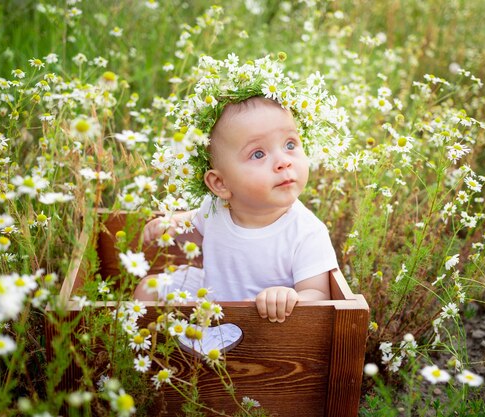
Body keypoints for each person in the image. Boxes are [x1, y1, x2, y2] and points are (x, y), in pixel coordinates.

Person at [134, 96, 339, 323]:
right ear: (220, 184)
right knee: (147, 289)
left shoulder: (307, 231)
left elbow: (319, 295)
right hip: (210, 299)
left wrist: (288, 296)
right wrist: (173, 224)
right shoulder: (216, 209)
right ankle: (146, 350)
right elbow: (196, 226)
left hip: (267, 325)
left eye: (290, 144)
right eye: (258, 154)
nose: (284, 161)